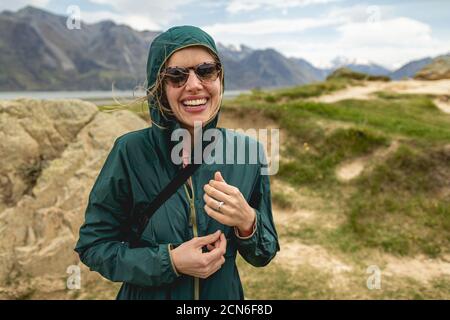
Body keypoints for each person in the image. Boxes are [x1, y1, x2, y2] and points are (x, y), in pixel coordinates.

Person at [74, 25, 280, 300]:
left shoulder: (248, 152)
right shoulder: (130, 151)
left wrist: (248, 222)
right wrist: (169, 262)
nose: (194, 85)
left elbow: (264, 254)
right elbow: (94, 247)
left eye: (206, 70)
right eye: (176, 75)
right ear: (159, 86)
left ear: (220, 77)